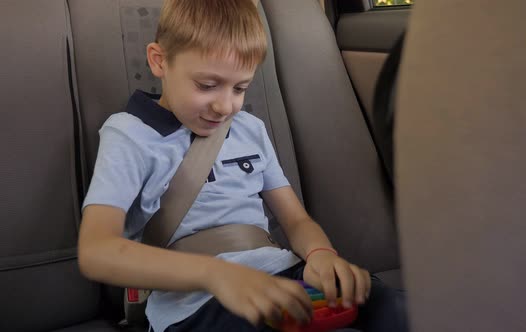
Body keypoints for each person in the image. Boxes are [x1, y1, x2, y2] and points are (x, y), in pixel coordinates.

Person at [78, 0, 407, 331]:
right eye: (207, 86)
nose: (225, 106)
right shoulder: (130, 134)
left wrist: (321, 254)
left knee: (391, 306)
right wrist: (217, 276)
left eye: (240, 88)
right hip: (194, 303)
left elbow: (295, 220)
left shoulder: (250, 129)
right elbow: (97, 250)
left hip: (281, 275)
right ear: (159, 60)